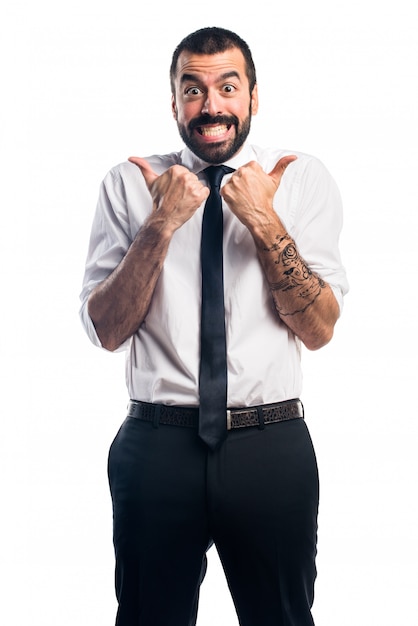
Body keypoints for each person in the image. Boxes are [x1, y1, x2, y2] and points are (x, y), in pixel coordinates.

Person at [80, 26, 348, 626]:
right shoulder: (129, 184)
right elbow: (105, 329)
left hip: (270, 444)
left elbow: (321, 328)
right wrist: (160, 224)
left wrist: (262, 218)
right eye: (192, 89)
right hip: (156, 445)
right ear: (174, 103)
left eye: (228, 86)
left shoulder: (300, 180)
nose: (212, 105)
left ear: (253, 97)